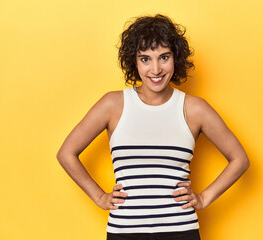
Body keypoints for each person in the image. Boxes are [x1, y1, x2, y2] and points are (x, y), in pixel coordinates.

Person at [57, 14, 250, 240]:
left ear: (175, 58)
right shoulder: (113, 105)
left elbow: (240, 159)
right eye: (145, 59)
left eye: (164, 57)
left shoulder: (194, 109)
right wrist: (100, 197)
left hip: (181, 231)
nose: (156, 69)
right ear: (134, 61)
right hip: (125, 232)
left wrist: (204, 198)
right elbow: (66, 153)